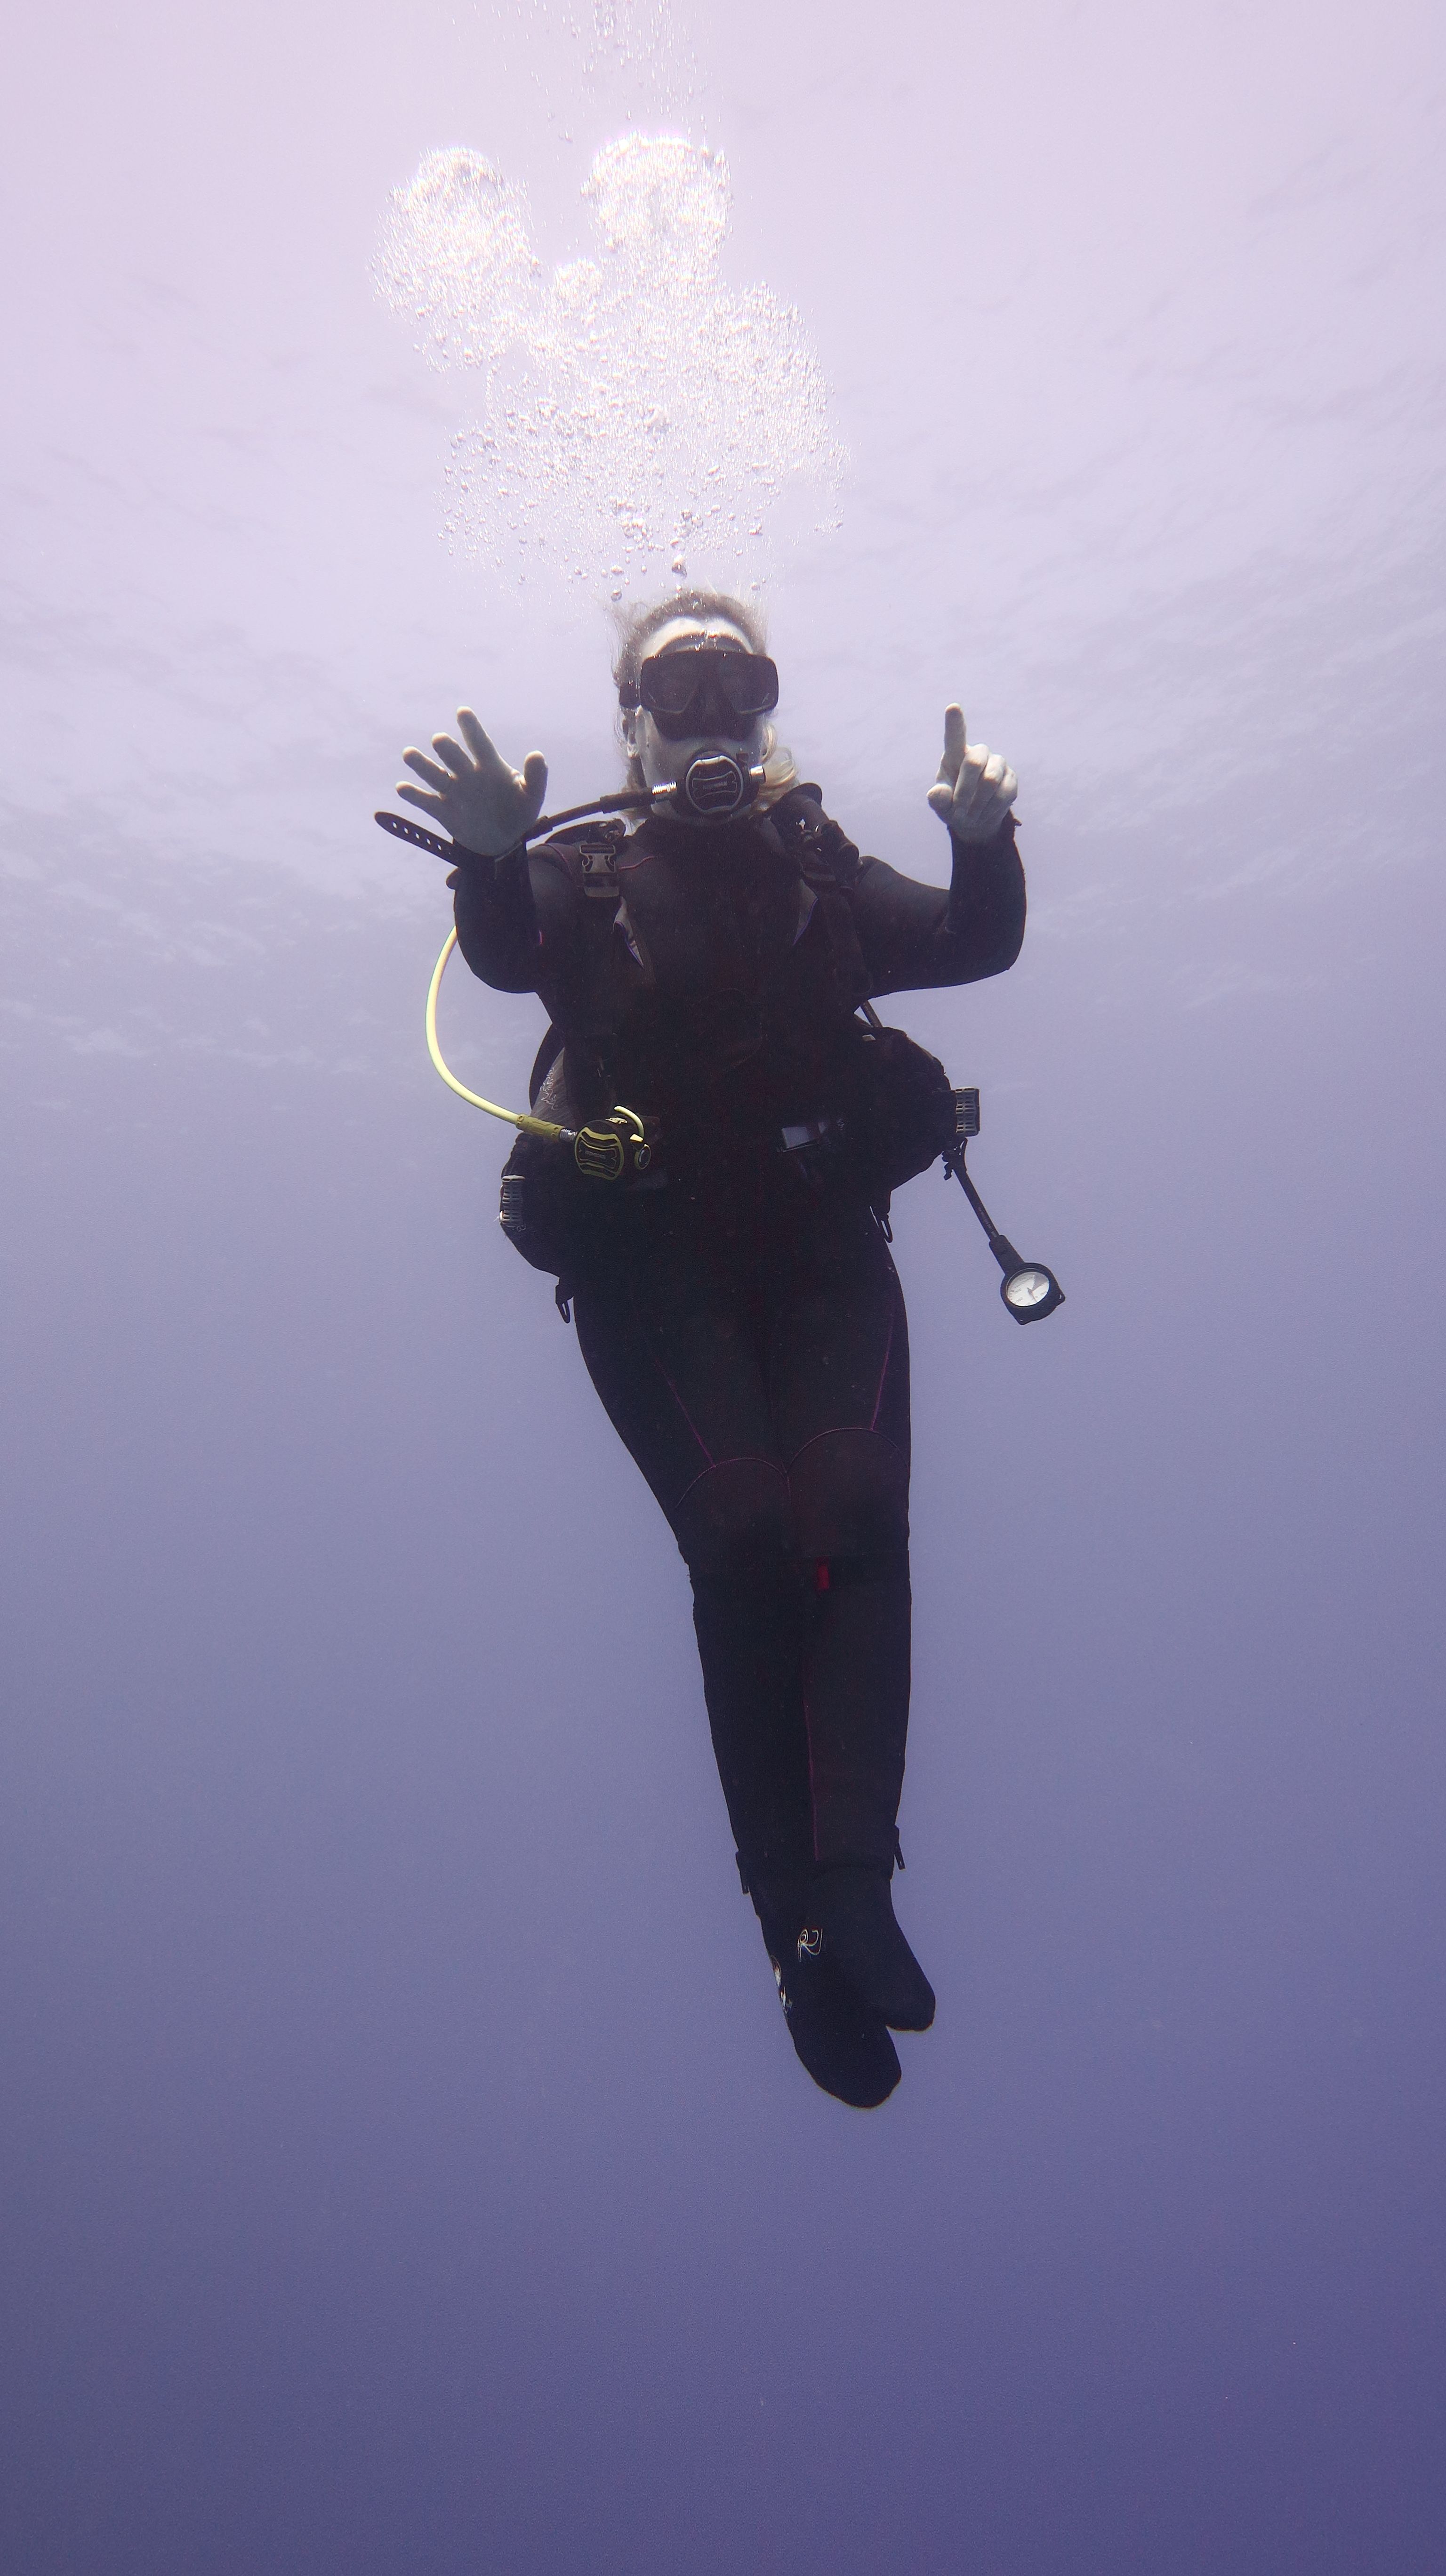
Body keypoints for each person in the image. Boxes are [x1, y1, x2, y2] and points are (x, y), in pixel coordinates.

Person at [396, 592, 1023, 2107]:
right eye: (680, 687)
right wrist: (490, 854)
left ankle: (858, 1885)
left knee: (856, 1517)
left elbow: (968, 948)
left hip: (820, 1256)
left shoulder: (814, 867)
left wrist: (986, 843)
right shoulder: (584, 868)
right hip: (655, 1267)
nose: (713, 711)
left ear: (768, 704)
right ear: (635, 717)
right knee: (746, 1532)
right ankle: (791, 1925)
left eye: (737, 680)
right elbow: (501, 956)